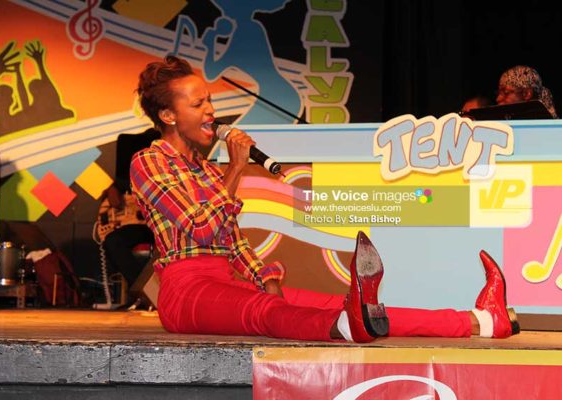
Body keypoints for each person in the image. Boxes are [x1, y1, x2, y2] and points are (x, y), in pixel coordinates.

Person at [129, 55, 520, 343]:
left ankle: (481, 321)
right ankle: (345, 328)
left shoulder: (206, 171)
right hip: (185, 293)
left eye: (209, 101)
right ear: (168, 115)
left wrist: (266, 278)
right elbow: (201, 228)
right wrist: (235, 168)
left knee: (342, 304)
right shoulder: (148, 163)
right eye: (198, 104)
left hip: (226, 281)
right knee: (266, 313)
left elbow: (232, 242)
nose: (211, 112)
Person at [99, 128, 159, 299]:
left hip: (165, 228)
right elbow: (116, 193)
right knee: (113, 241)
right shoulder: (128, 176)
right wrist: (112, 189)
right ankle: (144, 291)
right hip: (141, 226)